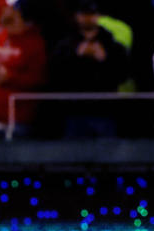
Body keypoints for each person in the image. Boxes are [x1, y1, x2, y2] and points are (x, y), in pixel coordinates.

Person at [49, 0, 128, 136]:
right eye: (84, 14)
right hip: (74, 111)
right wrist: (75, 56)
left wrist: (104, 59)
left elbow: (123, 75)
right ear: (77, 16)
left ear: (98, 16)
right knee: (74, 155)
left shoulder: (112, 45)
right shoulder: (65, 45)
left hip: (105, 110)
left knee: (107, 153)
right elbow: (55, 75)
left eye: (91, 14)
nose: (87, 18)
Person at [0, 2, 47, 131]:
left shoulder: (35, 43)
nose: (2, 12)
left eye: (7, 9)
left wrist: (9, 77)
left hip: (18, 119)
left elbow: (39, 79)